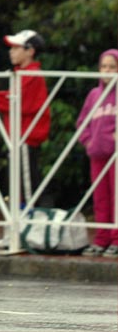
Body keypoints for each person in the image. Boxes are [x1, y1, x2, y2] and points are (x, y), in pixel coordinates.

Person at [0, 29, 50, 249]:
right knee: (14, 187)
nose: (11, 52)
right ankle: (15, 231)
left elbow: (22, 103)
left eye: (16, 47)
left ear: (30, 51)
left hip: (25, 139)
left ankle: (32, 232)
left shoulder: (31, 75)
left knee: (28, 187)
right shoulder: (21, 73)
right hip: (17, 138)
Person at [76, 49, 118, 258]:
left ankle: (116, 238)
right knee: (100, 199)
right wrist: (88, 141)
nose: (107, 71)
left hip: (116, 156)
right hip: (97, 154)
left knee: (116, 198)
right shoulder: (94, 95)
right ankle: (102, 238)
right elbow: (82, 122)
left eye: (112, 67)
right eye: (104, 66)